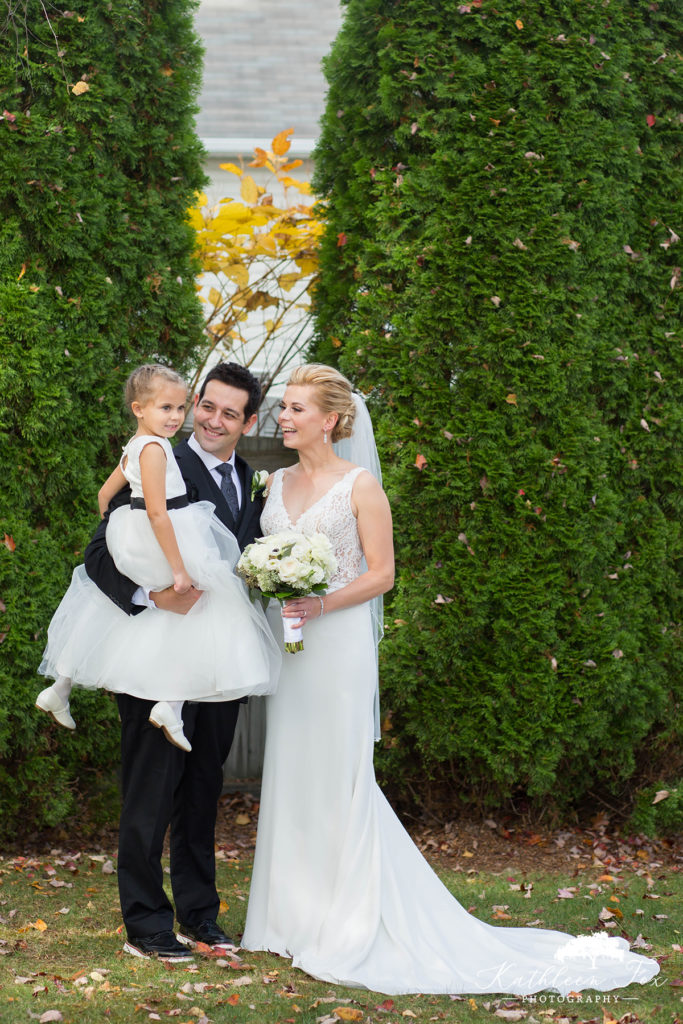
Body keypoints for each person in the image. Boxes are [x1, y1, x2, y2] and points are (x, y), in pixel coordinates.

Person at [241, 363, 660, 997]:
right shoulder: (272, 484)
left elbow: (381, 575)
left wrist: (320, 603)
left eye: (297, 408)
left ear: (331, 419)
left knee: (339, 773)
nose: (285, 417)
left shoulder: (360, 486)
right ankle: (287, 919)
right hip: (293, 645)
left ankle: (347, 922)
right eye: (285, 408)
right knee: (292, 767)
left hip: (339, 644)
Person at [76, 362, 272, 961]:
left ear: (248, 422)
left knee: (202, 793)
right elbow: (103, 547)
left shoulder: (251, 479)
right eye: (205, 406)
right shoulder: (158, 456)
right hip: (157, 658)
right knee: (150, 794)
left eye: (227, 413)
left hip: (219, 663)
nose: (211, 420)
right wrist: (151, 594)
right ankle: (146, 923)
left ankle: (200, 915)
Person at [36, 364, 278, 752]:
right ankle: (170, 702)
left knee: (202, 605)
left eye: (178, 408)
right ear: (139, 408)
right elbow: (154, 514)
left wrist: (118, 526)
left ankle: (63, 686)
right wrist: (170, 568)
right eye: (169, 408)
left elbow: (104, 496)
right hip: (164, 538)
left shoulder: (139, 449)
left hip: (141, 536)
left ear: (248, 423)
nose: (177, 417)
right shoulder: (158, 450)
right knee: (211, 597)